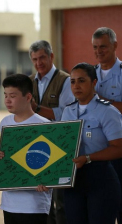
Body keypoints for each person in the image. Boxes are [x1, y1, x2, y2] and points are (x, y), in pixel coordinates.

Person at [61, 62, 122, 224]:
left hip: (101, 180)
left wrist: (88, 158)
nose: (76, 86)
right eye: (72, 82)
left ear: (94, 83)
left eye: (81, 80)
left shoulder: (107, 111)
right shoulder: (68, 111)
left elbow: (119, 148)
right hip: (73, 181)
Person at [0, 74, 52, 224]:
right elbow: (8, 158)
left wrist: (48, 181)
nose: (7, 100)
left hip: (34, 205)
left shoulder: (45, 125)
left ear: (28, 96)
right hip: (9, 203)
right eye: (5, 95)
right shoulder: (4, 122)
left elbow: (51, 164)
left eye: (13, 96)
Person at [28, 40, 75, 224]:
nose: (38, 63)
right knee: (42, 201)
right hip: (37, 147)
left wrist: (36, 108)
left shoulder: (65, 80)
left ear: (51, 56)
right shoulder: (29, 81)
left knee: (61, 201)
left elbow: (67, 113)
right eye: (34, 59)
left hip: (61, 147)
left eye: (42, 58)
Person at [92, 27, 122, 223]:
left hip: (118, 149)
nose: (98, 51)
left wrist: (102, 101)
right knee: (100, 209)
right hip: (95, 151)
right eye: (95, 47)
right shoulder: (89, 73)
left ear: (115, 46)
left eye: (103, 46)